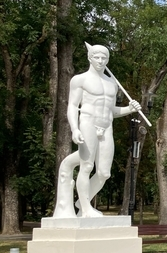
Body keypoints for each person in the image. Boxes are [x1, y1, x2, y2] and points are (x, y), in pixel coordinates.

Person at [53, 43, 142, 218]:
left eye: (104, 58)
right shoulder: (80, 80)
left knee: (104, 173)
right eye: (97, 57)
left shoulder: (112, 83)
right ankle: (86, 209)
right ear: (90, 58)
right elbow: (72, 106)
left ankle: (81, 203)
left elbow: (111, 110)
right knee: (87, 166)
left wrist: (129, 109)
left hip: (107, 126)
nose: (100, 61)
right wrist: (74, 129)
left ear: (107, 60)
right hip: (88, 123)